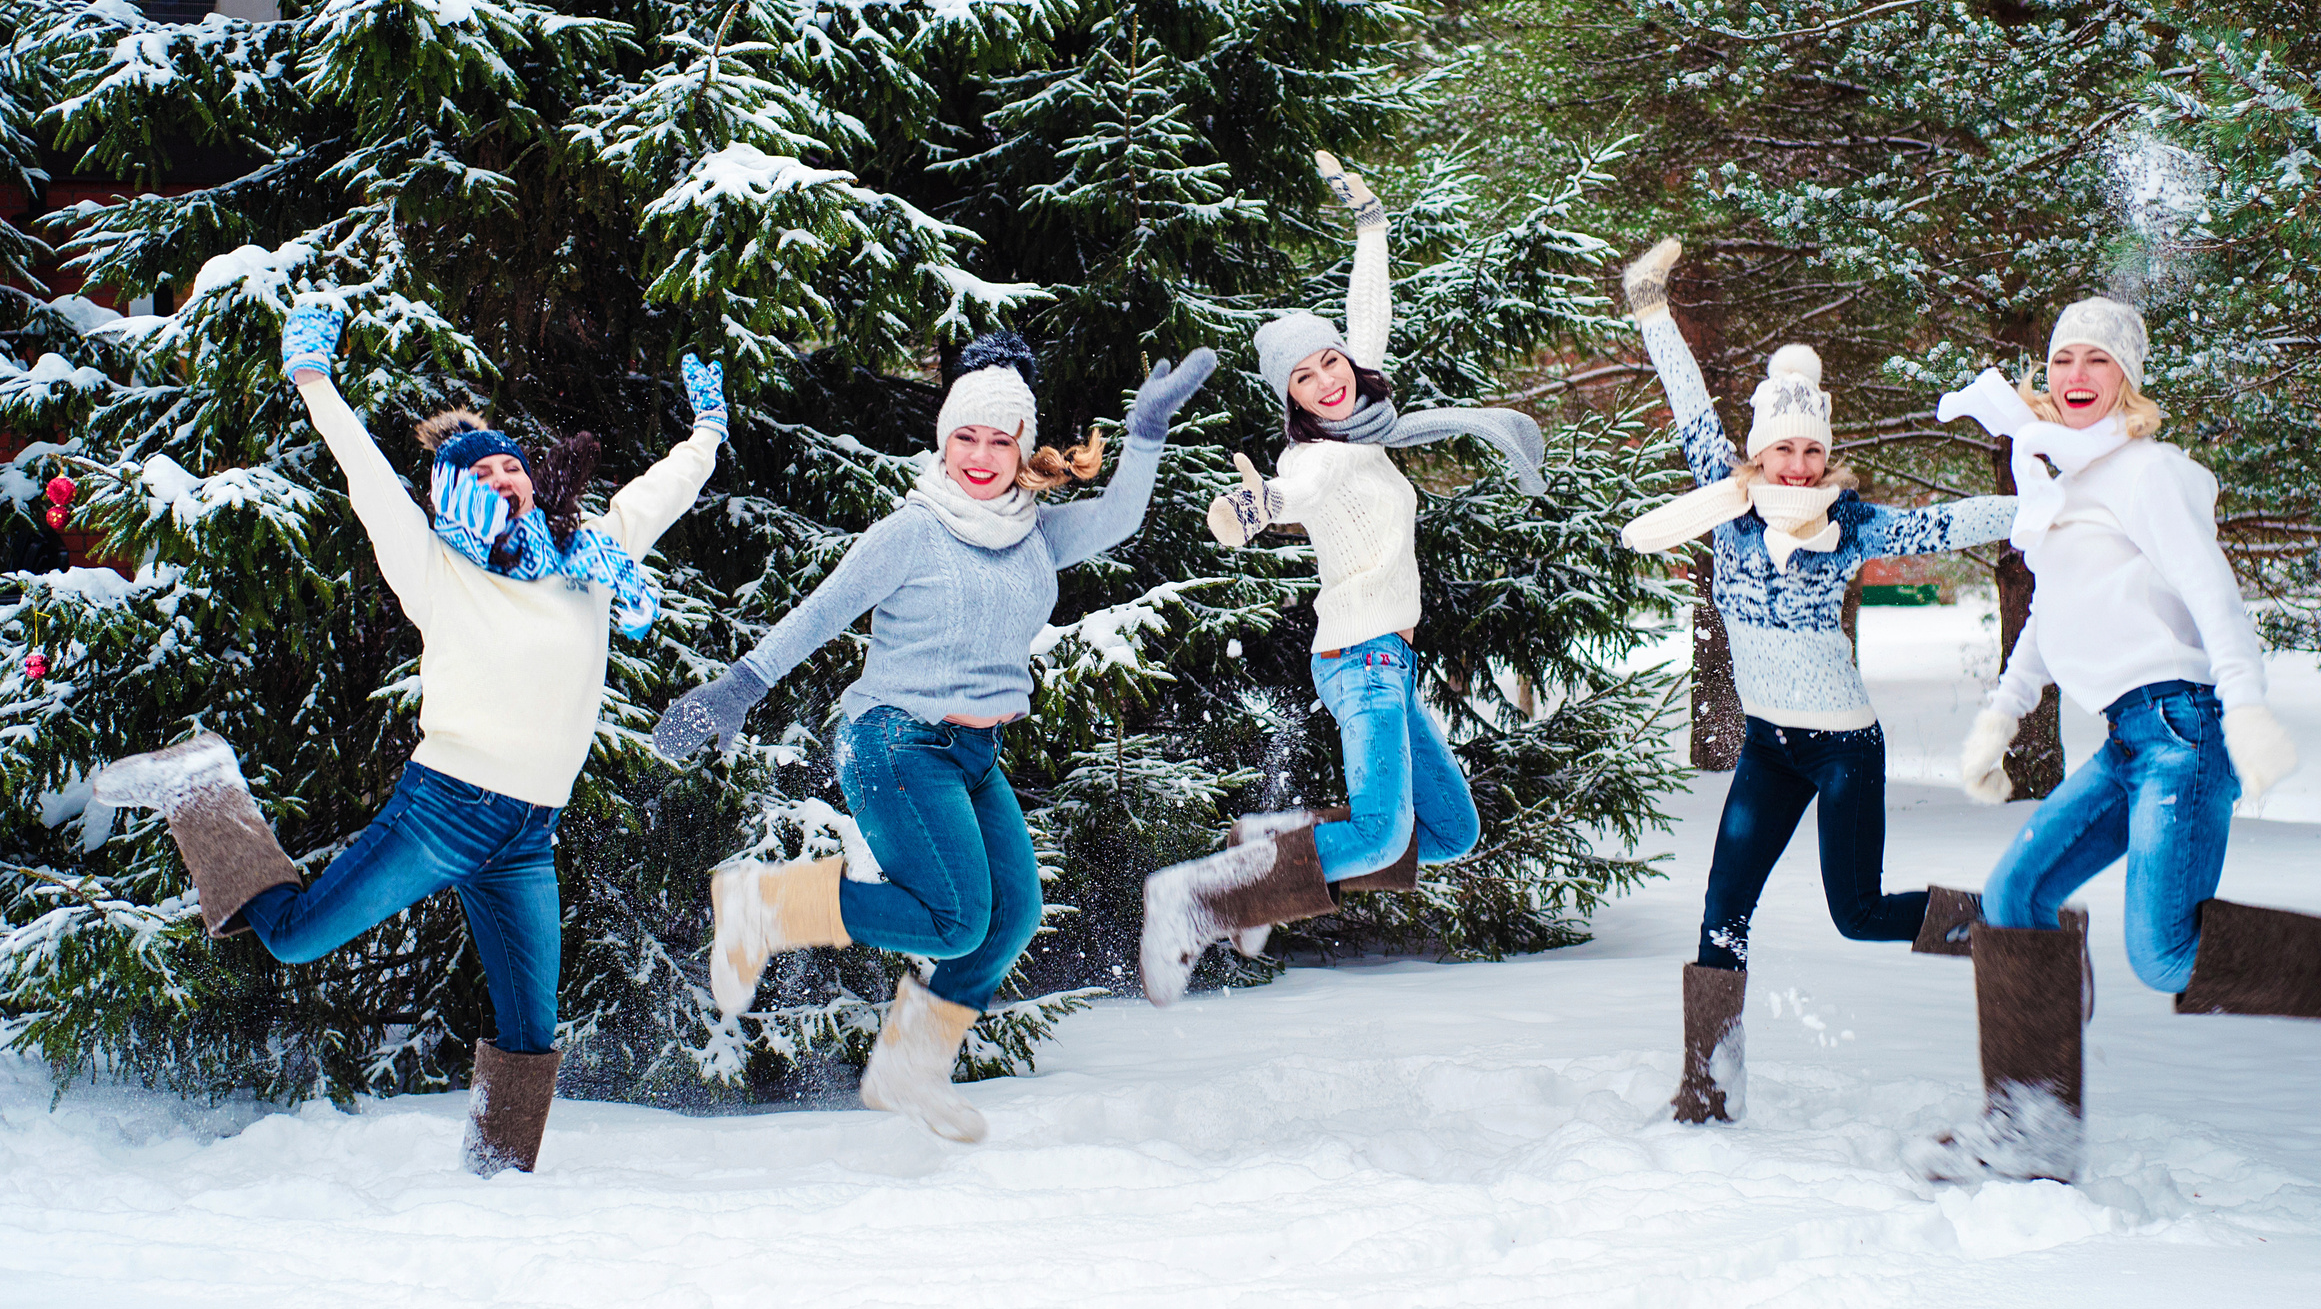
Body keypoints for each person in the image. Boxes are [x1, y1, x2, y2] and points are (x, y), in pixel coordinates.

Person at [92, 296, 728, 1175]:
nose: (508, 476)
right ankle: (201, 786)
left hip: (527, 835)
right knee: (293, 935)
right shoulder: (436, 569)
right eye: (488, 470)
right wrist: (314, 380)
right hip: (444, 811)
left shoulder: (588, 560)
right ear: (456, 488)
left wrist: (708, 428)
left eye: (515, 464)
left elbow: (661, 491)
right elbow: (367, 480)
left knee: (529, 1031)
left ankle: (495, 1186)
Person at [1920, 297, 2321, 1184]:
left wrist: (2244, 701)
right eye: (2063, 361)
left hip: (2182, 727)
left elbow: (2212, 590)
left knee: (2163, 948)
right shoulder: (2064, 486)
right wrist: (2002, 715)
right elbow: (2053, 618)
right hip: (2128, 740)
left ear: (2129, 378)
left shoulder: (2151, 472)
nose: (2078, 377)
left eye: (2100, 361)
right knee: (2016, 892)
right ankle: (2032, 1131)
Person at [652, 332, 1215, 1143]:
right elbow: (820, 614)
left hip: (973, 754)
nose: (981, 455)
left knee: (1013, 914)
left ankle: (912, 1065)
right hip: (893, 739)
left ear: (1023, 446)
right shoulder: (911, 531)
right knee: (955, 919)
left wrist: (1148, 430)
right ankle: (764, 908)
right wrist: (736, 689)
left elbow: (1123, 516)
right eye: (966, 436)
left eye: (1000, 438)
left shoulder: (1035, 533)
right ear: (943, 439)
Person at [1616, 237, 2021, 1125]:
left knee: (1861, 911)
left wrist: (2050, 506)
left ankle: (2015, 924)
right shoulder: (1725, 510)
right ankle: (1706, 1094)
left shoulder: (1854, 522)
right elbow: (1687, 401)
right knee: (1722, 914)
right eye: (1782, 450)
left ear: (1825, 454)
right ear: (1758, 452)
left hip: (1842, 750)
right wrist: (1652, 307)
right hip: (1770, 746)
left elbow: (1948, 522)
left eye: (1811, 450)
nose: (1797, 466)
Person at [1137, 153, 1547, 1003]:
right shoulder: (1315, 458)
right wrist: (1246, 511)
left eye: (1329, 362)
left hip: (1387, 663)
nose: (1327, 377)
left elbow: (1370, 312)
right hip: (1361, 659)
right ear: (1290, 398)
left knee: (1451, 830)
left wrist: (1369, 221)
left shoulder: (1363, 429)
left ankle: (1272, 847)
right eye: (1304, 376)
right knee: (1373, 835)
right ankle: (1207, 893)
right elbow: (1280, 495)